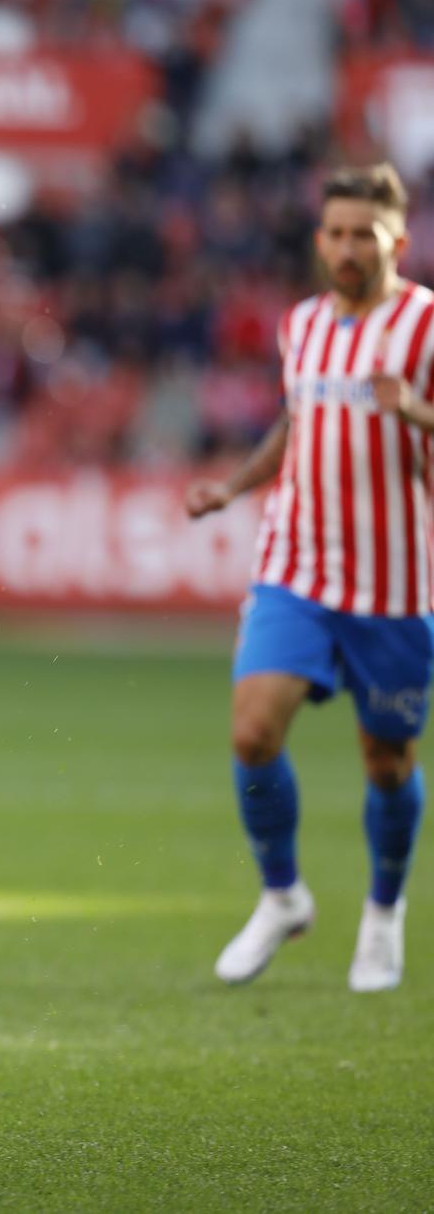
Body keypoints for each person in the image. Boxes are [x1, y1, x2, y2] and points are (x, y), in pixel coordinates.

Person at [186, 162, 432, 992]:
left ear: (397, 237)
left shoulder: (426, 323)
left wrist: (417, 411)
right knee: (253, 733)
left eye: (365, 232)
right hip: (296, 563)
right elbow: (298, 421)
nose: (348, 247)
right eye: (335, 232)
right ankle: (283, 894)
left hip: (395, 585)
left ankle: (384, 914)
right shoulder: (303, 325)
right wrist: (231, 486)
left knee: (388, 762)